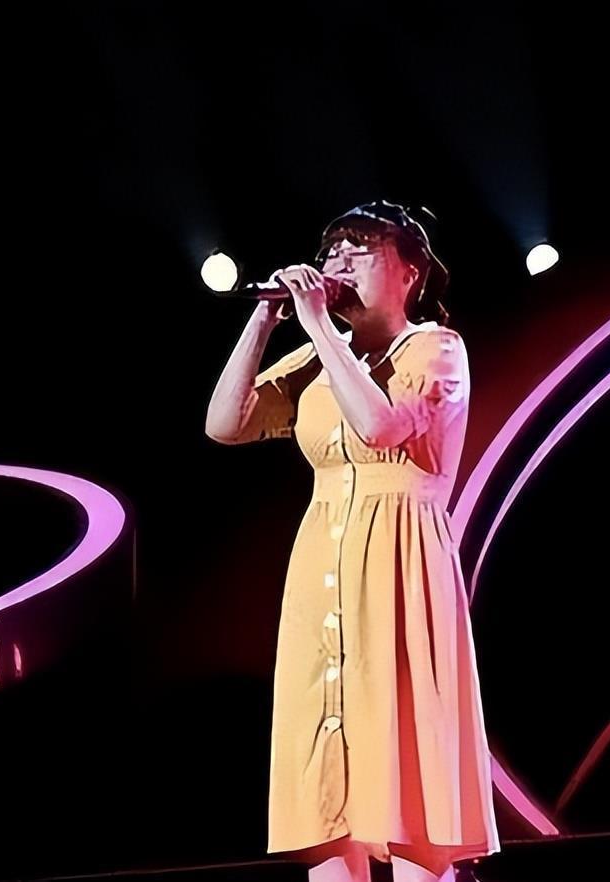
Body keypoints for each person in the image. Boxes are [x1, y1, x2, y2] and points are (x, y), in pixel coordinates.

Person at [205, 202, 500, 882]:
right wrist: (266, 319)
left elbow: (381, 427)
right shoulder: (316, 355)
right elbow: (224, 424)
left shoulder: (435, 348)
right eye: (331, 251)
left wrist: (318, 326)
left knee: (408, 789)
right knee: (328, 801)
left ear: (410, 272)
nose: (337, 264)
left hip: (401, 565)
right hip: (321, 566)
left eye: (358, 250)